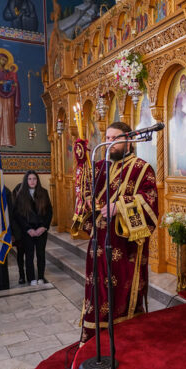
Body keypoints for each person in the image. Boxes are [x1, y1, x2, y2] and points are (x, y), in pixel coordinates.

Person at [79, 121, 159, 344]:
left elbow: (150, 201)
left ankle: (126, 340)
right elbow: (86, 192)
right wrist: (88, 199)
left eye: (115, 139)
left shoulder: (142, 168)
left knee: (123, 289)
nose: (110, 143)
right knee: (97, 290)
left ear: (129, 141)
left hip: (125, 244)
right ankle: (96, 340)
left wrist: (120, 206)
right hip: (99, 240)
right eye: (107, 138)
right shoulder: (99, 167)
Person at [14, 171, 52, 286]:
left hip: (41, 229)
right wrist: (28, 229)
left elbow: (49, 212)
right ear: (26, 180)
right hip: (28, 231)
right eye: (29, 179)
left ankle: (40, 277)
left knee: (41, 254)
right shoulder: (21, 194)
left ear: (37, 180)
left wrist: (44, 227)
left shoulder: (44, 192)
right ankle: (31, 278)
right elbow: (18, 214)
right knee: (29, 255)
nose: (32, 181)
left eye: (34, 179)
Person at [12, 182, 26, 284]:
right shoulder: (13, 204)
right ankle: (21, 275)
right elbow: (12, 220)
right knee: (20, 255)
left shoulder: (28, 201)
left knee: (29, 255)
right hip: (18, 234)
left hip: (28, 233)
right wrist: (13, 234)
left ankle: (30, 274)